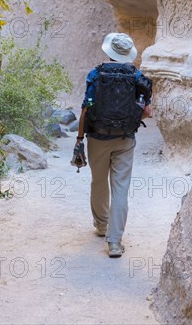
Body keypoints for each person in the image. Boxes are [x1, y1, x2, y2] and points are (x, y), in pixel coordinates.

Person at [74, 32, 152, 258]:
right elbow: (146, 111)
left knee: (99, 182)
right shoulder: (136, 76)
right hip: (125, 140)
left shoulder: (95, 74)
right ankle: (115, 242)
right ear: (128, 54)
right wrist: (129, 122)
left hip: (97, 138)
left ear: (109, 52)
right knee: (120, 189)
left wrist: (79, 139)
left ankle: (101, 226)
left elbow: (86, 109)